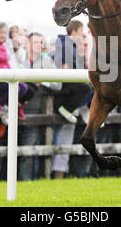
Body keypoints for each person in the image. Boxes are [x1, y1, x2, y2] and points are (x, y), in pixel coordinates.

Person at [18, 32, 63, 180]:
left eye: (40, 42)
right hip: (14, 109)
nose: (39, 45)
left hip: (36, 110)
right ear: (28, 44)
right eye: (36, 42)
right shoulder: (20, 58)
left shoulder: (47, 60)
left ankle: (27, 180)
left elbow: (58, 84)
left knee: (30, 145)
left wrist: (42, 81)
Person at [50, 20, 91, 179]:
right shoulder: (64, 41)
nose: (83, 34)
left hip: (70, 85)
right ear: (74, 31)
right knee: (86, 87)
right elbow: (63, 65)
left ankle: (80, 108)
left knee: (91, 86)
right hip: (63, 88)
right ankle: (68, 108)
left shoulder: (71, 44)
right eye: (81, 31)